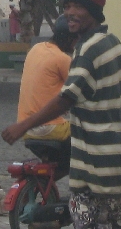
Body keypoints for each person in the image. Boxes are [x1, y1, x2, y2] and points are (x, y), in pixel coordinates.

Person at [2, 0, 121, 229]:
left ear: (94, 12)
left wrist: (23, 125)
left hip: (97, 162)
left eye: (78, 7)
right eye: (67, 6)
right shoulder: (113, 45)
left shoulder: (89, 49)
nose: (71, 13)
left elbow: (68, 97)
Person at [16, 14, 78, 179]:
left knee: (59, 162)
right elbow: (79, 89)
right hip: (50, 129)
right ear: (69, 40)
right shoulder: (63, 59)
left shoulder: (35, 49)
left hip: (26, 127)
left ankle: (43, 187)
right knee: (85, 145)